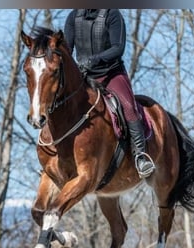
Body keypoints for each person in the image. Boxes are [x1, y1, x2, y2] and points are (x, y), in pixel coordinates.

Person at [63, 9, 155, 178]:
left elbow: (118, 48)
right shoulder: (73, 17)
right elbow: (67, 49)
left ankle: (140, 156)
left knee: (128, 107)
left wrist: (95, 59)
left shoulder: (112, 15)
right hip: (84, 76)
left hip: (111, 73)